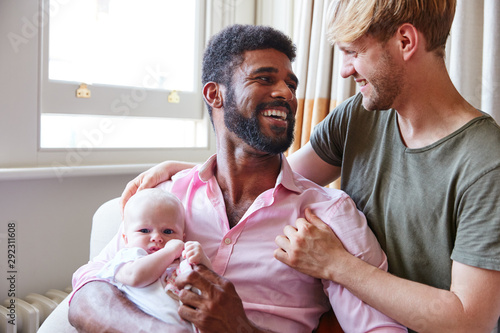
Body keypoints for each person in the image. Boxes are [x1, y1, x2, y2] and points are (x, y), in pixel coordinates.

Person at [119, 1, 500, 332]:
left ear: (405, 42)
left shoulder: (486, 163)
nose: (345, 70)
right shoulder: (361, 118)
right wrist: (188, 172)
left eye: (353, 52)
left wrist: (337, 265)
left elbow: (471, 320)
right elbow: (274, 178)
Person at [68, 24, 407, 332]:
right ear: (215, 94)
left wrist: (240, 328)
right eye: (265, 78)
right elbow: (87, 288)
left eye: (291, 84)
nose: (286, 94)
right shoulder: (165, 198)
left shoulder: (330, 215)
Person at [95, 188, 211, 332]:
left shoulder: (182, 260)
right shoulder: (128, 258)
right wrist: (169, 251)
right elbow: (136, 277)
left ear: (182, 237)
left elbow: (210, 286)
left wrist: (202, 260)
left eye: (168, 231)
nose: (157, 237)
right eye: (144, 231)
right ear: (126, 239)